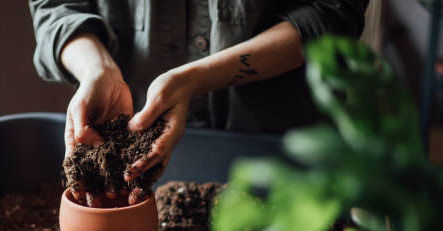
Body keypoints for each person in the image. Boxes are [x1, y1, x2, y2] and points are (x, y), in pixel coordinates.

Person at [29, 0, 369, 205]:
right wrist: (96, 68)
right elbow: (55, 5)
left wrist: (196, 79)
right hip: (133, 116)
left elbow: (332, 12)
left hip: (280, 147)